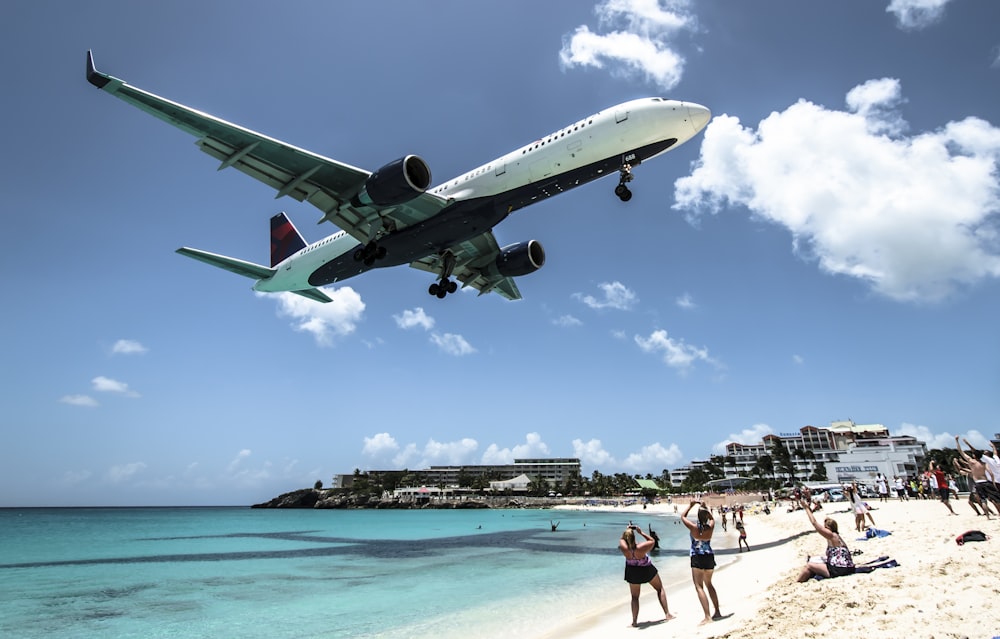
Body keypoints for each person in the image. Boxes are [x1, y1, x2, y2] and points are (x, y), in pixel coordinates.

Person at [618, 524, 675, 627]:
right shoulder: (640, 548)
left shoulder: (624, 548)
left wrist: (627, 531)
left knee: (635, 597)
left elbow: (621, 539)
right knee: (659, 589)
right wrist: (641, 532)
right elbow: (652, 541)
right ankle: (667, 614)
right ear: (634, 537)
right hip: (646, 569)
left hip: (632, 571)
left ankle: (634, 621)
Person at [796, 491, 855, 582]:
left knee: (809, 566)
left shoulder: (831, 535)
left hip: (839, 570)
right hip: (849, 567)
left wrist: (806, 508)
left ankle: (798, 583)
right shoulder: (837, 537)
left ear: (828, 528)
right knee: (817, 560)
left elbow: (814, 523)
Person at [681, 501, 723, 625]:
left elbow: (683, 516)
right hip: (709, 556)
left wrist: (691, 505)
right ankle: (717, 611)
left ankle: (707, 616)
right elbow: (711, 518)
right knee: (709, 584)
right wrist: (705, 509)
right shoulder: (711, 526)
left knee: (699, 586)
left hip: (697, 557)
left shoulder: (694, 528)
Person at [956, 436, 1000, 515]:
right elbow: (995, 454)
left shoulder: (981, 461)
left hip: (984, 482)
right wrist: (993, 447)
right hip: (991, 481)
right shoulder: (993, 461)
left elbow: (964, 451)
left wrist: (962, 442)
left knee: (985, 500)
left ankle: (989, 516)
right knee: (996, 499)